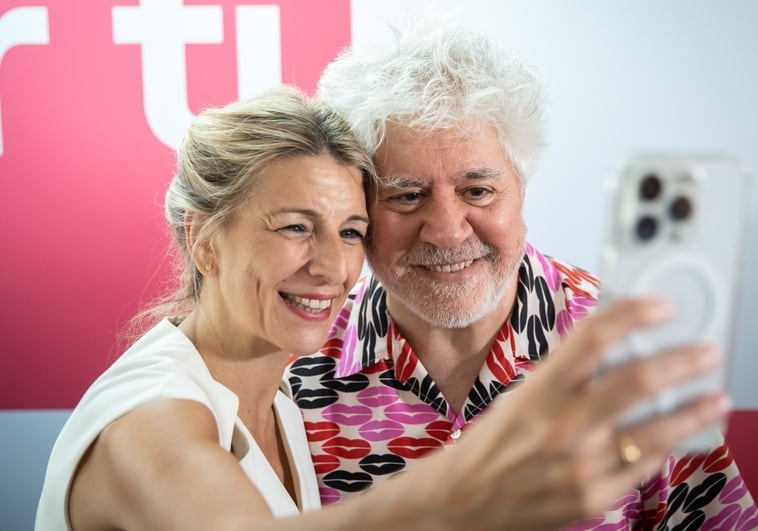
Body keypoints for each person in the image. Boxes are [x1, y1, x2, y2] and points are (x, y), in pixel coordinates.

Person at [286, 21, 758, 529]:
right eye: (406, 195)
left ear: (522, 189)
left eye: (478, 191)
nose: (447, 232)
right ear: (359, 206)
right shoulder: (294, 364)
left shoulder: (629, 350)